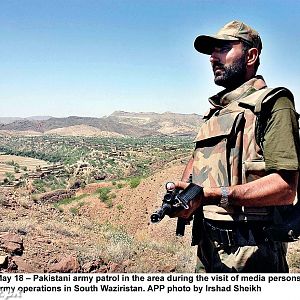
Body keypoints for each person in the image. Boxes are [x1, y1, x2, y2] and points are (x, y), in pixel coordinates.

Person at [172, 20, 300, 273]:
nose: (212, 58)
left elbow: (285, 188)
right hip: (208, 247)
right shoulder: (219, 111)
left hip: (251, 254)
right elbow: (198, 160)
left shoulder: (273, 103)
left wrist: (212, 195)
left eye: (222, 48)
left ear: (251, 55)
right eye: (212, 51)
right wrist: (184, 195)